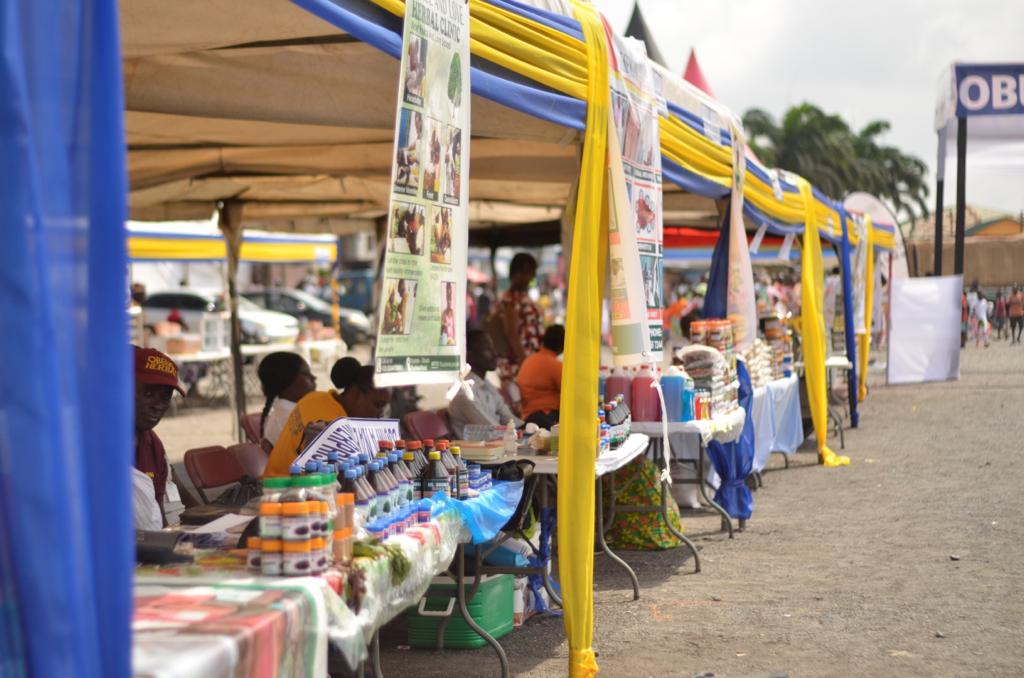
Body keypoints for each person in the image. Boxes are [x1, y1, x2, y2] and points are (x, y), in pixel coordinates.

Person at [265, 357, 391, 476]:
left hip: (279, 482)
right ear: (355, 393)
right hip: (285, 489)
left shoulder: (317, 398)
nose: (380, 414)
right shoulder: (332, 422)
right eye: (378, 405)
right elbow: (342, 477)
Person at [132, 346, 186, 529]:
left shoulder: (152, 445)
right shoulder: (91, 447)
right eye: (148, 393)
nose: (158, 406)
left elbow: (162, 517)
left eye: (165, 397)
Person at [449, 330, 523, 438]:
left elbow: (508, 418)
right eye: (487, 348)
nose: (495, 353)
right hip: (478, 453)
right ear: (469, 354)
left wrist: (531, 431)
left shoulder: (486, 384)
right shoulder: (463, 391)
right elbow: (492, 430)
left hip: (497, 447)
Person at [495, 252, 543, 407]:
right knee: (523, 409)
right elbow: (511, 333)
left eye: (530, 272)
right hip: (518, 364)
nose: (528, 276)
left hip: (526, 362)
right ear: (514, 273)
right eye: (523, 272)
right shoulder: (510, 299)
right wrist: (526, 363)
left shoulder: (522, 296)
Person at [257, 352, 317, 450]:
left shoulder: (295, 413)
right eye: (306, 373)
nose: (314, 378)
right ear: (287, 379)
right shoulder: (286, 420)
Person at [516, 325, 564, 429]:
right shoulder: (555, 365)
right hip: (546, 416)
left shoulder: (529, 360)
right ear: (562, 346)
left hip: (527, 416)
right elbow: (568, 393)